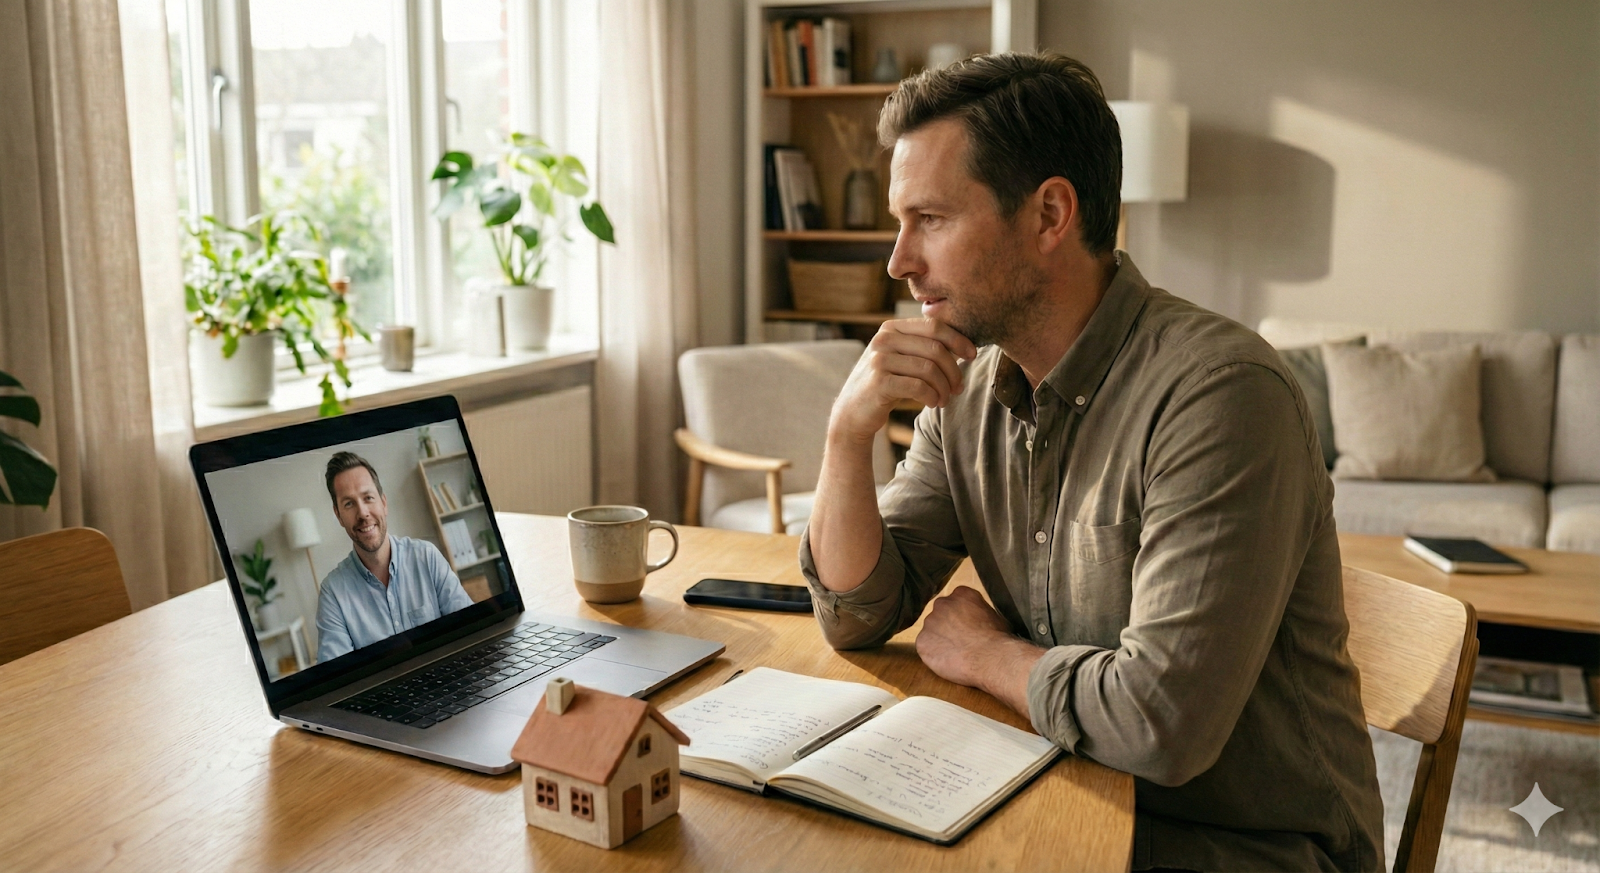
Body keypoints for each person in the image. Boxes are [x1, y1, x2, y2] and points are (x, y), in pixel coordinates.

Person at [801, 52, 1384, 872]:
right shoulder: (967, 389)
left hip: (1239, 843)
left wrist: (985, 655)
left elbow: (1161, 726)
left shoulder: (1220, 395)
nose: (899, 261)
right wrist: (845, 432)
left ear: (1049, 215)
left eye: (929, 219)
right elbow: (858, 613)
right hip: (1061, 785)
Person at [315, 451, 473, 662]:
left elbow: (471, 632)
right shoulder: (332, 593)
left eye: (368, 498)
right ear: (338, 516)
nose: (363, 513)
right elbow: (336, 680)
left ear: (384, 503)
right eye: (349, 504)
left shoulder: (427, 556)